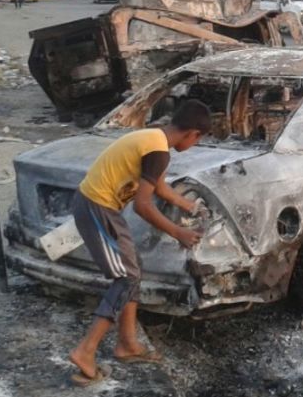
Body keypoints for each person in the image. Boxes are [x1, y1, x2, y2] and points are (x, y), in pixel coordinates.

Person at [68, 100, 211, 386]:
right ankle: (86, 350)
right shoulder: (158, 152)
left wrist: (189, 205)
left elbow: (159, 187)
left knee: (133, 269)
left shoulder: (154, 138)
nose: (196, 145)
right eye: (199, 140)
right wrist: (177, 232)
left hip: (102, 207)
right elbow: (143, 206)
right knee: (125, 278)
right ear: (193, 134)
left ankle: (128, 344)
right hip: (97, 207)